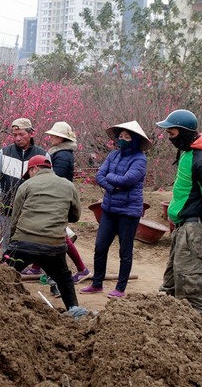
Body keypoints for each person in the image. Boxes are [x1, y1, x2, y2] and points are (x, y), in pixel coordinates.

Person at [156, 109, 202, 316]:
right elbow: (184, 192)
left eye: (172, 133)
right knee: (171, 284)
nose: (169, 138)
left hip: (194, 229)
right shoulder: (188, 152)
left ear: (184, 132)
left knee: (189, 291)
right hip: (184, 227)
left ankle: (192, 339)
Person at [2, 155, 87, 318]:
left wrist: (12, 244)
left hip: (24, 243)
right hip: (54, 245)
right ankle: (74, 310)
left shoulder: (26, 185)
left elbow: (15, 218)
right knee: (64, 277)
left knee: (0, 274)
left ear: (34, 169)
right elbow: (75, 216)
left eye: (29, 172)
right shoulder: (68, 185)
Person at [80, 121, 151, 299]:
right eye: (121, 136)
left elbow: (127, 180)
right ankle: (97, 284)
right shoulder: (113, 155)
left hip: (128, 212)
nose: (123, 140)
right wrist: (112, 187)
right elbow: (99, 176)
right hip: (109, 208)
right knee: (100, 247)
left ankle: (120, 288)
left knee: (125, 251)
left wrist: (110, 178)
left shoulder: (140, 159)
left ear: (134, 140)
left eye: (127, 137)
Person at [23, 122, 91, 297]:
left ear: (62, 138)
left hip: (57, 200)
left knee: (58, 236)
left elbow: (56, 180)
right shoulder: (61, 153)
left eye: (54, 135)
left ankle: (81, 269)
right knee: (54, 235)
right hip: (59, 199)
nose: (51, 137)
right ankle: (39, 267)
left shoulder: (62, 156)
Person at [0, 118, 48, 251]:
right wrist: (0, 196)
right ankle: (7, 268)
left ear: (31, 133)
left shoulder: (42, 156)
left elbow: (48, 182)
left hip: (31, 209)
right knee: (6, 241)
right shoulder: (3, 153)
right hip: (7, 208)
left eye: (21, 134)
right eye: (15, 135)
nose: (17, 138)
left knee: (30, 241)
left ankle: (25, 268)